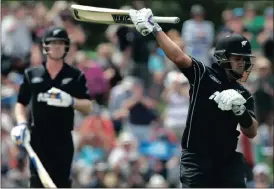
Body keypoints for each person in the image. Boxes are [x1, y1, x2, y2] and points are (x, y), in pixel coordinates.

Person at [129, 8, 259, 187]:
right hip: (197, 159)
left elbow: (251, 131)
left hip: (228, 160)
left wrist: (240, 110)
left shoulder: (243, 93)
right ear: (223, 57)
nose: (242, 63)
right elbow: (178, 57)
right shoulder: (204, 75)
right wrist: (155, 28)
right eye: (237, 58)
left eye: (244, 60)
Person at [10, 26, 93, 188]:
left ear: (66, 47)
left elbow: (88, 106)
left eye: (61, 43)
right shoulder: (32, 74)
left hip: (62, 139)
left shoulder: (75, 76)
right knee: (37, 182)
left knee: (60, 183)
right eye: (53, 43)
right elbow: (21, 103)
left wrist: (71, 101)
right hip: (37, 138)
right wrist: (21, 123)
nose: (56, 47)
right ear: (45, 46)